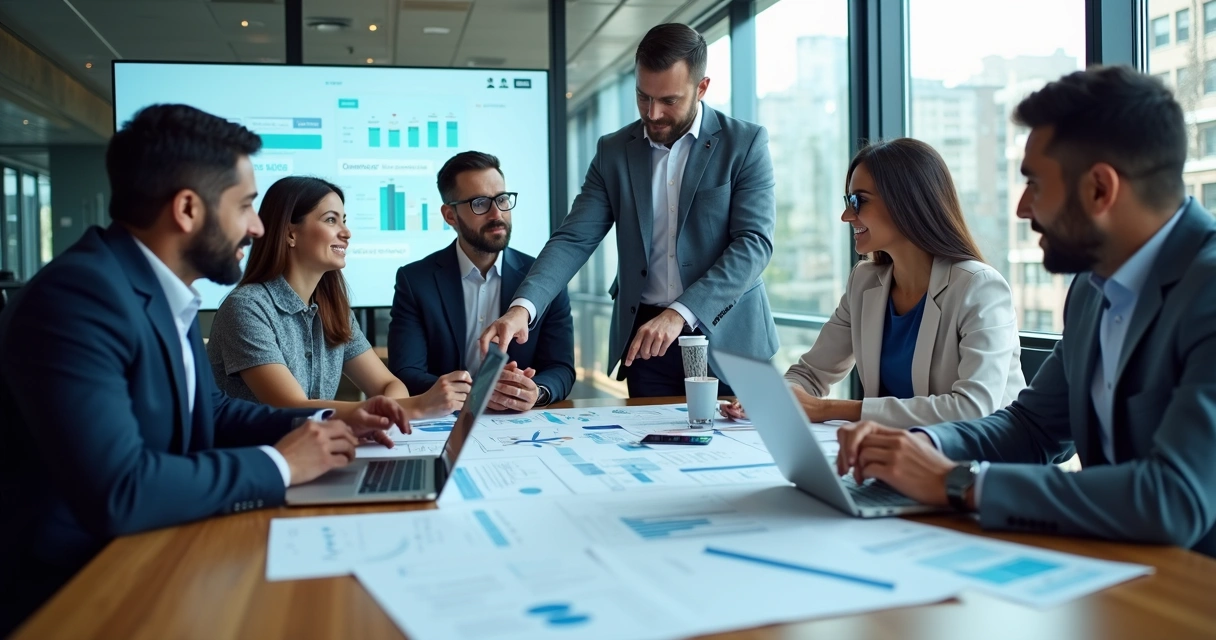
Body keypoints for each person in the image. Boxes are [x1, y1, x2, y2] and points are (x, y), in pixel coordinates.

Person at [0, 104, 409, 633]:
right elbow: (122, 490)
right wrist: (283, 466)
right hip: (77, 588)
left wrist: (330, 419)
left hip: (155, 546)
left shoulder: (156, 289)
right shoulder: (79, 298)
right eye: (244, 206)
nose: (257, 226)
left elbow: (209, 413)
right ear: (188, 209)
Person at [836, 66, 1216, 557]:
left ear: (1101, 190)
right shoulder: (1092, 291)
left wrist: (961, 484)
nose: (1021, 208)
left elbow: (1175, 499)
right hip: (1120, 569)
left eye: (1035, 184)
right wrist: (925, 448)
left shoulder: (1207, 290)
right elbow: (1034, 429)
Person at [478, 23, 778, 398]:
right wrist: (521, 309)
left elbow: (754, 243)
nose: (652, 114)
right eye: (643, 97)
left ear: (701, 88)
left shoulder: (744, 143)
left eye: (669, 100)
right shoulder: (614, 151)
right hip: (647, 340)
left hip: (731, 337)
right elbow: (574, 238)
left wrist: (681, 313)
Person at [723, 139, 1025, 427]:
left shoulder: (980, 288)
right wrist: (772, 398)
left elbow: (972, 409)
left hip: (975, 468)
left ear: (907, 201)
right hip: (898, 458)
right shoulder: (864, 281)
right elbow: (811, 374)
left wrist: (828, 409)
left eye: (859, 201)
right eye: (848, 201)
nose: (846, 216)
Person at [207, 176, 470, 419]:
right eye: (331, 220)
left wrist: (393, 410)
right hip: (257, 461)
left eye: (344, 220)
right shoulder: (246, 308)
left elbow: (389, 384)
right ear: (290, 233)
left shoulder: (333, 310)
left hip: (314, 456)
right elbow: (290, 408)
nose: (346, 232)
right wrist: (415, 406)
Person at [388, 152, 575, 411]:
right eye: (479, 203)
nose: (496, 214)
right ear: (450, 216)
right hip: (445, 421)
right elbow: (406, 371)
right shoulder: (415, 280)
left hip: (518, 423)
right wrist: (475, 392)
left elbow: (561, 368)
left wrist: (537, 392)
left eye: (502, 199)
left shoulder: (545, 276)